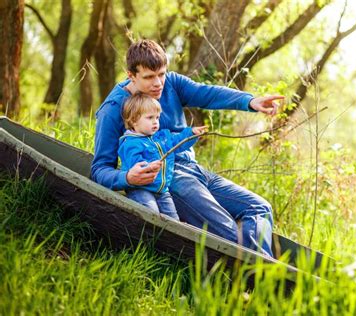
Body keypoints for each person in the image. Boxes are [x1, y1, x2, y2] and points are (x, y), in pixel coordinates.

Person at [91, 39, 284, 257]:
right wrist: (127, 178)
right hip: (170, 179)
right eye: (149, 77)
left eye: (161, 74)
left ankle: (256, 278)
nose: (158, 83)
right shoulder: (113, 109)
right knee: (229, 233)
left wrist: (250, 101)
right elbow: (99, 169)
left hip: (195, 169)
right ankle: (258, 281)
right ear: (131, 75)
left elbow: (209, 94)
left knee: (260, 208)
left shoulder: (171, 83)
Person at [119, 92, 207, 221]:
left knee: (173, 221)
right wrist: (149, 167)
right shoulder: (131, 143)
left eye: (157, 118)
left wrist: (191, 133)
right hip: (140, 189)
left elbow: (178, 142)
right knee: (151, 213)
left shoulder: (161, 138)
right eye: (150, 118)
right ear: (134, 120)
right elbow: (135, 165)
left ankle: (169, 240)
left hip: (162, 190)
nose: (155, 122)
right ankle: (146, 238)